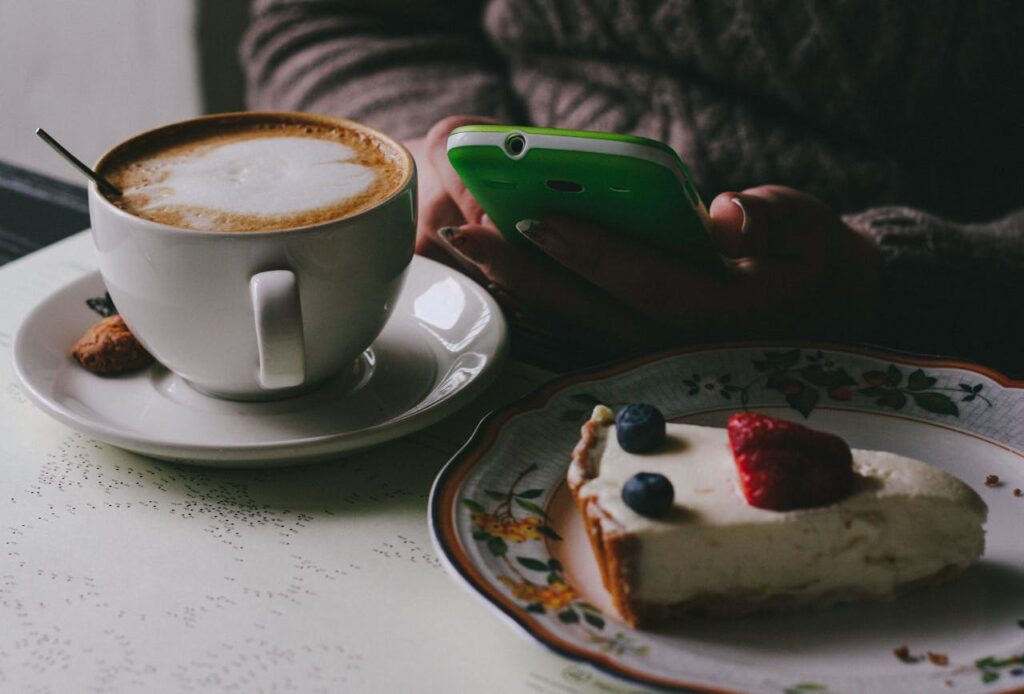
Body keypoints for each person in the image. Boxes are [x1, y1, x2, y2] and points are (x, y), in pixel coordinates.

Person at [241, 0, 1024, 373]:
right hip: (474, 323)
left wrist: (895, 283)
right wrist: (423, 157)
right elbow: (342, 19)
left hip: (935, 375)